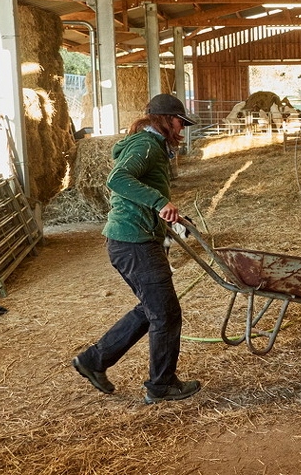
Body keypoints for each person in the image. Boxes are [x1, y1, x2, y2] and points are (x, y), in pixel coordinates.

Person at [72, 93, 202, 404]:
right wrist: (159, 203)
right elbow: (118, 179)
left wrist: (168, 214)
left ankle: (94, 360)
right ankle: (162, 385)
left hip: (133, 239)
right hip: (134, 242)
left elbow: (139, 187)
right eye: (179, 122)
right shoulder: (146, 144)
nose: (181, 129)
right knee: (166, 313)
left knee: (152, 309)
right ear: (164, 120)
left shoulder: (150, 145)